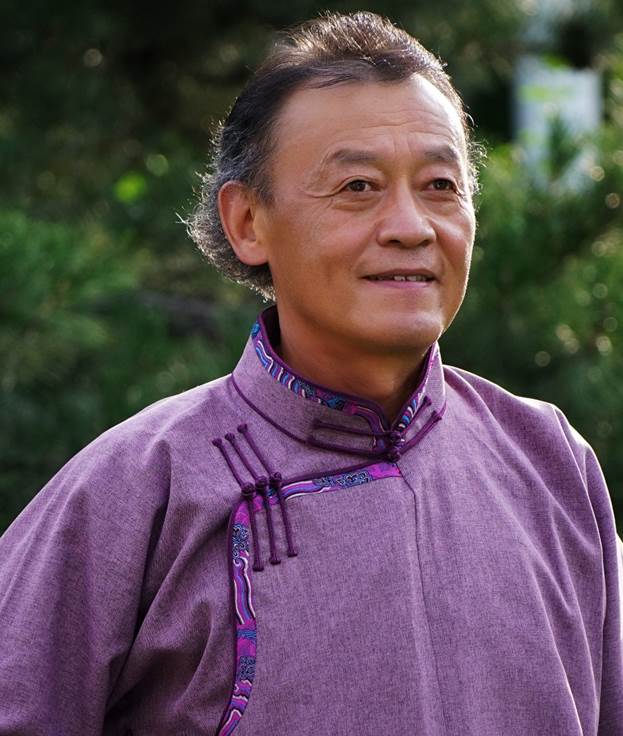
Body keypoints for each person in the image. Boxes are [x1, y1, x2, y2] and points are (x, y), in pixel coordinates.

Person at [1, 11, 621, 736]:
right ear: (247, 222)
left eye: (440, 185)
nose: (411, 226)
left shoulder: (549, 463)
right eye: (357, 186)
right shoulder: (137, 488)